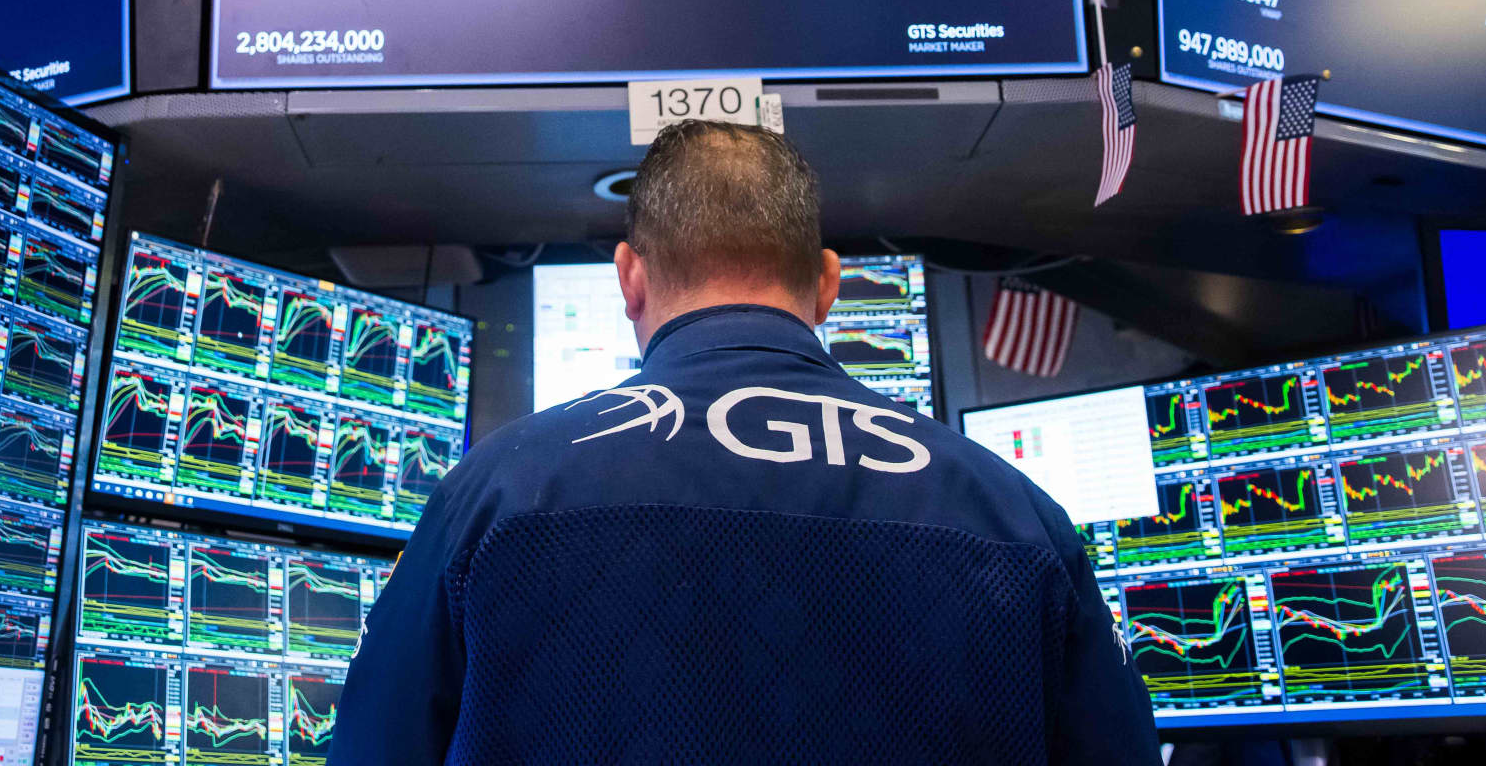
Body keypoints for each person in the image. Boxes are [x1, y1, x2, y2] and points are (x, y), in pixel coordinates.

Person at [332, 119, 1159, 765]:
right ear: (828, 284)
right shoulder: (1017, 516)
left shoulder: (493, 497)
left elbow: (375, 748)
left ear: (630, 278)